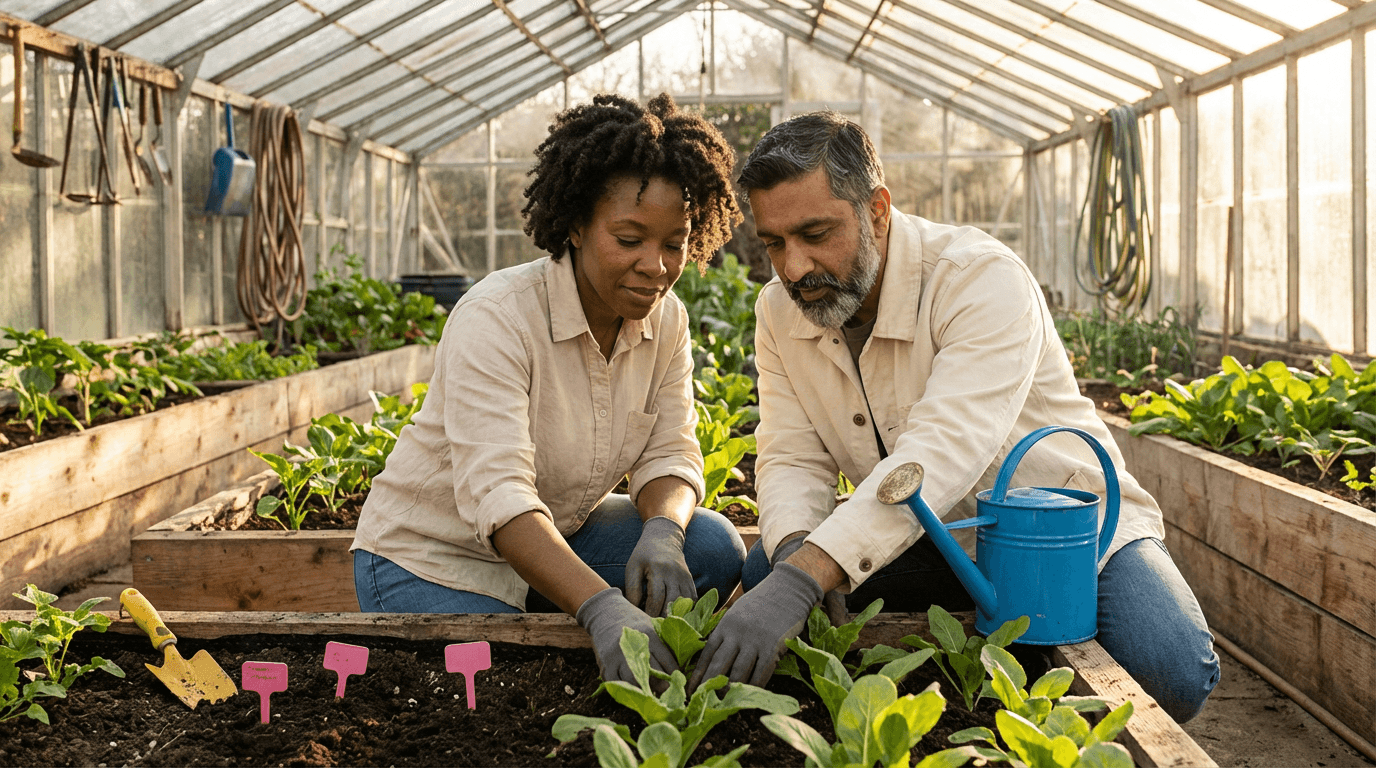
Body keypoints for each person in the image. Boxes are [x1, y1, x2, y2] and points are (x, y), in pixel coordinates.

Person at [690, 111, 1219, 723]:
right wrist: (791, 557)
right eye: (775, 243)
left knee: (1171, 670)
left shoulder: (977, 277)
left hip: (1063, 533)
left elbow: (942, 450)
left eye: (815, 233)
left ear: (878, 211)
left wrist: (810, 577)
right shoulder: (779, 311)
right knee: (768, 573)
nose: (795, 267)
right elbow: (790, 453)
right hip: (925, 537)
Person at [351, 94, 747, 685]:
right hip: (432, 559)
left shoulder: (668, 321)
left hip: (555, 534)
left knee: (709, 546)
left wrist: (663, 532)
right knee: (512, 683)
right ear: (578, 226)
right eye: (630, 238)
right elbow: (502, 497)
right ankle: (563, 599)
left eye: (674, 243)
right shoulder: (498, 316)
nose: (656, 266)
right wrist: (599, 606)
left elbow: (670, 450)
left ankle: (557, 592)